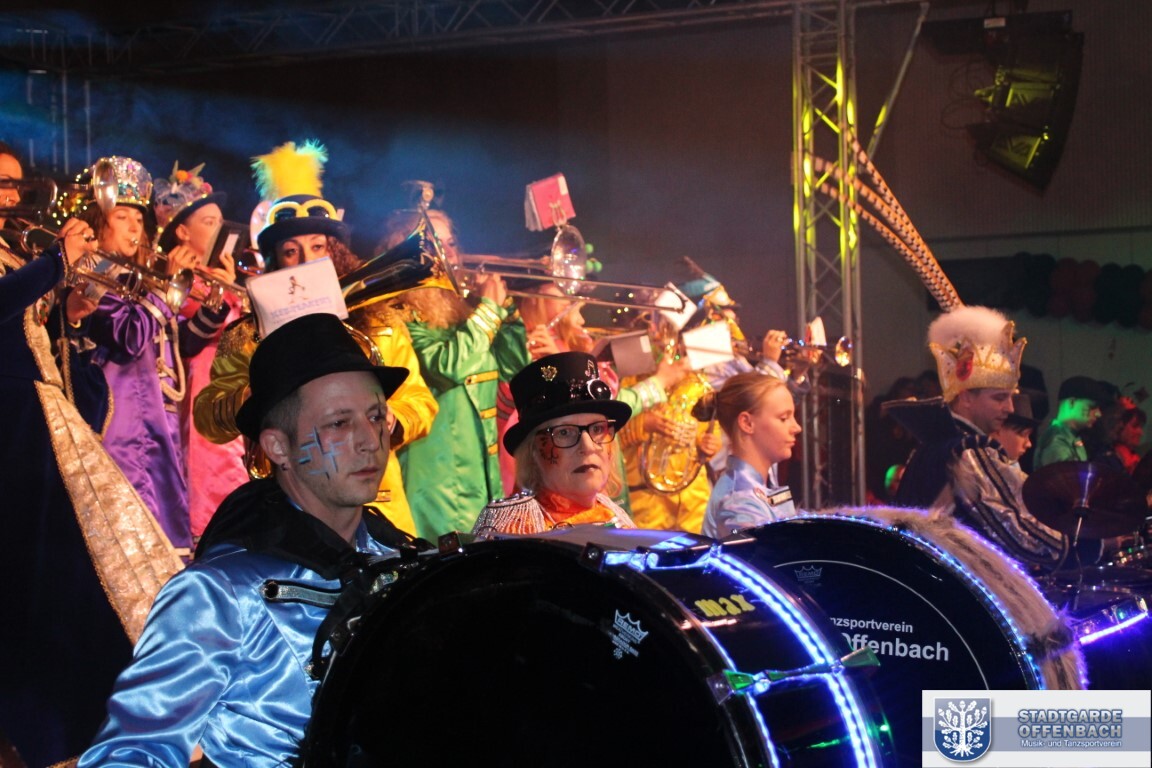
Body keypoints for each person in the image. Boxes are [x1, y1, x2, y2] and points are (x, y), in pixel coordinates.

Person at [79, 312, 421, 766]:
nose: (369, 440)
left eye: (376, 416)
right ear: (278, 448)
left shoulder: (404, 562)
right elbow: (128, 755)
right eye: (339, 423)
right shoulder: (216, 594)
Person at [0, 142, 182, 767]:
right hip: (13, 426)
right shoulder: (29, 259)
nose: (11, 195)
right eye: (0, 183)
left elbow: (36, 339)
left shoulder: (14, 250)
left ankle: (94, 718)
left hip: (39, 418)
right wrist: (55, 263)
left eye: (14, 183)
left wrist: (71, 317)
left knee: (77, 570)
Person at [193, 141, 437, 537]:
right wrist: (255, 395)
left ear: (335, 253)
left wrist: (389, 419)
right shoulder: (246, 337)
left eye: (318, 247)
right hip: (288, 509)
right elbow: (207, 417)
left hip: (378, 506)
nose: (306, 261)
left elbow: (421, 402)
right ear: (275, 261)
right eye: (291, 251)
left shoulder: (381, 323)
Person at [75, 156, 231, 557]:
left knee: (164, 534)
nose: (134, 227)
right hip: (119, 421)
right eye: (121, 216)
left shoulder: (141, 277)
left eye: (138, 219)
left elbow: (182, 345)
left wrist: (214, 303)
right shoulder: (92, 273)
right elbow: (128, 337)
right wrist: (166, 291)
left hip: (157, 417)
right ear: (98, 223)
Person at [376, 197, 530, 540]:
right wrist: (489, 311)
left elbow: (516, 370)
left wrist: (507, 313)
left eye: (451, 243)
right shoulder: (402, 314)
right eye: (435, 244)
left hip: (482, 479)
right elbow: (447, 366)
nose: (448, 253)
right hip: (434, 488)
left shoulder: (467, 315)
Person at [892, 305, 1068, 573]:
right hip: (954, 588)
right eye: (999, 398)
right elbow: (1019, 534)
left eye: (1009, 397)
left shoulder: (929, 445)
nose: (1009, 408)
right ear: (966, 398)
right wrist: (1084, 544)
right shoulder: (970, 450)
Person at [153, 161, 250, 540]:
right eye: (209, 222)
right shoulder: (172, 275)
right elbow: (187, 337)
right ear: (181, 231)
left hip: (233, 390)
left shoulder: (219, 275)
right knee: (209, 486)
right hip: (198, 391)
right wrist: (221, 294)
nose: (219, 230)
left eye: (221, 222)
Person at [473, 351, 635, 534]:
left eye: (597, 429)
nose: (588, 447)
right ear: (532, 451)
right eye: (564, 432)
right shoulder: (512, 529)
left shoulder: (616, 516)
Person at [702, 372, 802, 538]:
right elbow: (765, 552)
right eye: (784, 418)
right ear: (747, 423)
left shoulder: (752, 487)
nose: (797, 428)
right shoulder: (739, 501)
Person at [1034, 375, 1113, 468]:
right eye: (1092, 406)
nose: (1098, 414)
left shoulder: (1068, 437)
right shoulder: (1057, 442)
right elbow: (1065, 476)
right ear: (1071, 402)